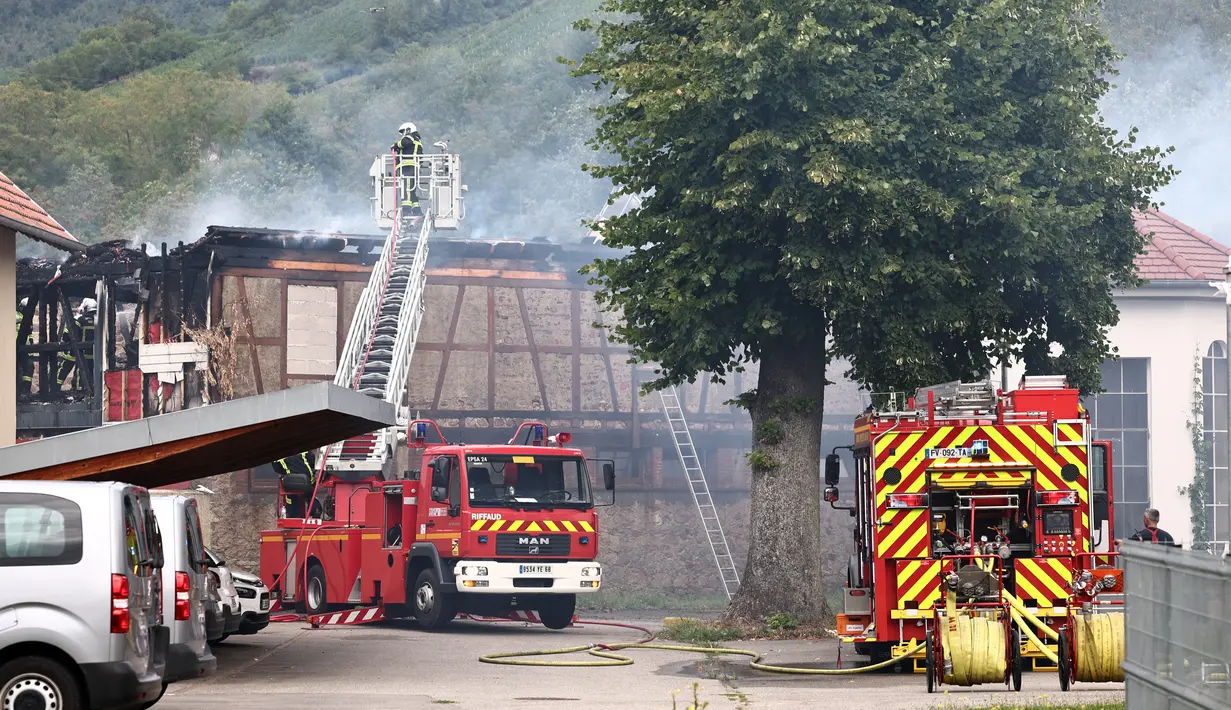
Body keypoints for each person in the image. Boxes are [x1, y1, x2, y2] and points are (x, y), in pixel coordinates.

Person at [55, 298, 95, 390]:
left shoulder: (79, 319)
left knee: (62, 372)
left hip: (72, 352)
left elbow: (66, 335)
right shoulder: (99, 321)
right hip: (90, 355)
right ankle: (80, 390)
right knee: (83, 373)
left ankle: (54, 389)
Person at [392, 122, 424, 219]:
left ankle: (407, 210)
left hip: (407, 167)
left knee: (406, 189)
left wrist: (395, 146)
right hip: (413, 168)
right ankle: (417, 211)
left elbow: (405, 142)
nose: (403, 134)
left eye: (403, 131)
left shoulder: (409, 138)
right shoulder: (418, 141)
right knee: (412, 190)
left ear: (408, 130)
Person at [275, 450, 318, 518]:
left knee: (290, 497)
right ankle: (315, 511)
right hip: (308, 481)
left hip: (290, 482)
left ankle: (292, 514)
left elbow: (277, 468)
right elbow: (312, 462)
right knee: (311, 494)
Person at [16, 298, 34, 396]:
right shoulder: (16, 316)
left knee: (29, 367)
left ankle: (25, 390)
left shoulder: (27, 318)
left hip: (24, 348)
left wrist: (31, 343)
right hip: (14, 347)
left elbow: (29, 334)